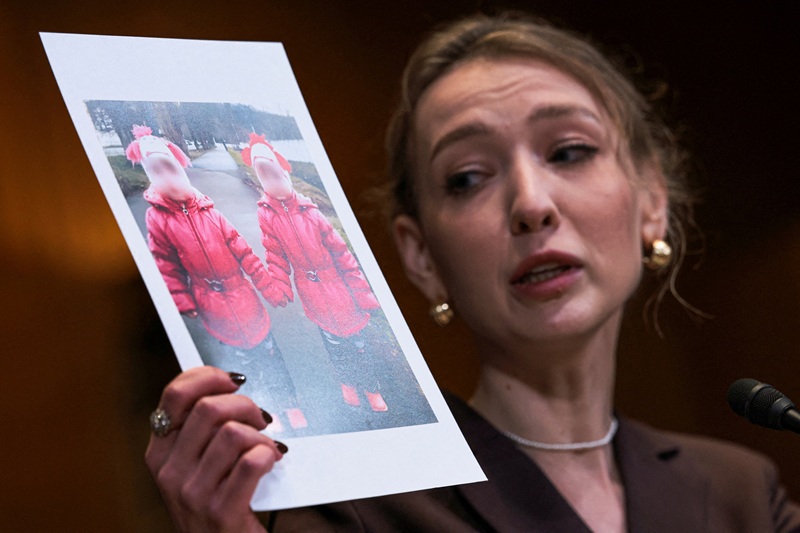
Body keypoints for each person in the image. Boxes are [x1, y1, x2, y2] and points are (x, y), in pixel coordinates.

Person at [144, 13, 800, 532]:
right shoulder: (356, 504)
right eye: (467, 177)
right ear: (421, 256)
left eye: (569, 151)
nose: (531, 204)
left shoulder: (741, 488)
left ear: (651, 203)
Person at [126, 125, 308, 433]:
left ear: (180, 169)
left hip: (244, 297)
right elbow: (165, 263)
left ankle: (289, 403)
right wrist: (182, 301)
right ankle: (261, 410)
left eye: (170, 169)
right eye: (157, 172)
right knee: (240, 366)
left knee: (269, 355)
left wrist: (269, 287)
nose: (168, 179)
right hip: (211, 303)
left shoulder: (209, 209)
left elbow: (243, 250)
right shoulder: (158, 218)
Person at [241, 133, 387, 412]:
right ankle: (347, 383)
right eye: (264, 176)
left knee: (359, 343)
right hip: (313, 293)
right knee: (333, 344)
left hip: (339, 288)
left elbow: (342, 255)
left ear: (283, 172)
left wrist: (363, 294)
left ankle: (371, 388)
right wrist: (280, 287)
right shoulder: (266, 215)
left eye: (274, 173)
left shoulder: (311, 211)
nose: (271, 181)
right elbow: (276, 255)